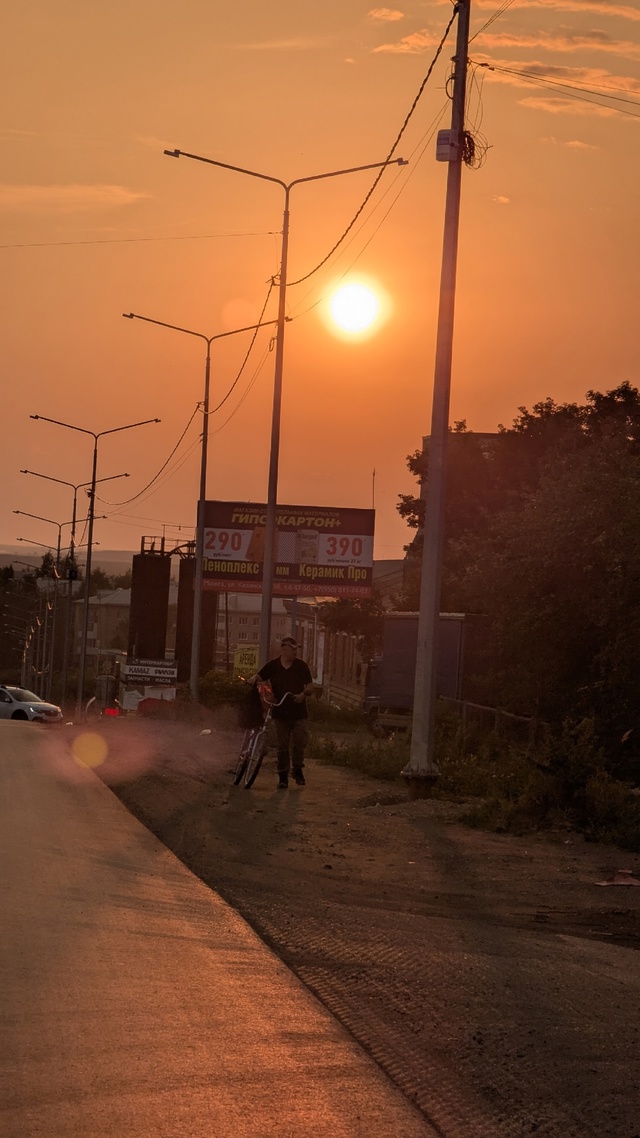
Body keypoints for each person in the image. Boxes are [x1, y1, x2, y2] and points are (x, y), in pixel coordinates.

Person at [253, 636, 314, 789]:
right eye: (292, 649)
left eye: (296, 650)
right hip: (280, 712)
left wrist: (303, 694)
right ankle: (282, 776)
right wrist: (253, 681)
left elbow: (310, 686)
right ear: (284, 649)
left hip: (299, 713)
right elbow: (259, 677)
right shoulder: (273, 666)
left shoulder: (301, 666)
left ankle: (298, 769)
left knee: (300, 742)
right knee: (282, 746)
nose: (295, 652)